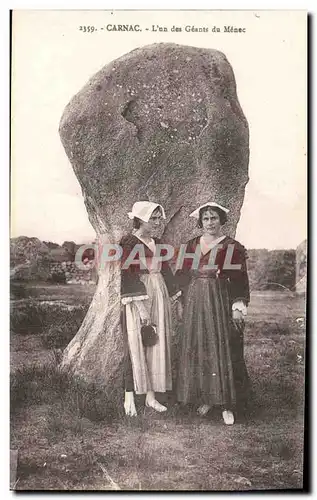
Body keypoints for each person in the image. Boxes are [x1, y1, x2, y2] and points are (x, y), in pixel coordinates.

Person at [176, 202, 250, 425]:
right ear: (201, 222)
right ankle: (206, 398)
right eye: (206, 219)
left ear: (221, 220)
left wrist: (237, 306)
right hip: (195, 301)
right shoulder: (190, 245)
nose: (209, 223)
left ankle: (227, 404)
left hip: (219, 301)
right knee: (200, 346)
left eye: (214, 218)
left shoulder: (232, 246)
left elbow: (239, 279)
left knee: (223, 347)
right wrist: (180, 300)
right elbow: (181, 274)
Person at [120, 201, 181, 416]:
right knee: (136, 342)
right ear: (140, 219)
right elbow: (127, 275)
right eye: (152, 218)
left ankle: (151, 397)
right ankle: (129, 398)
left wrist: (175, 293)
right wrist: (141, 307)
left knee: (155, 343)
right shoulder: (128, 243)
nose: (157, 222)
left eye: (158, 218)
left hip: (159, 292)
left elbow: (165, 270)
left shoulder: (157, 242)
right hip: (139, 295)